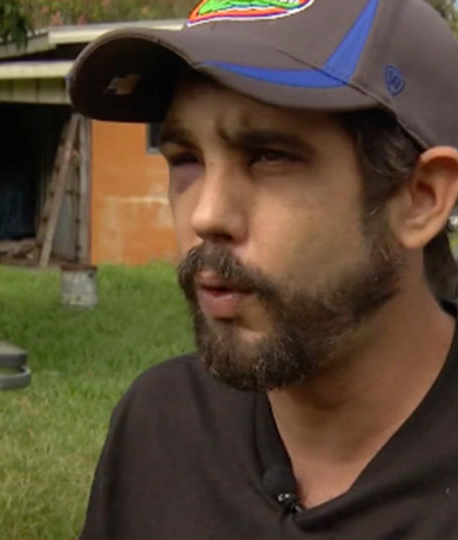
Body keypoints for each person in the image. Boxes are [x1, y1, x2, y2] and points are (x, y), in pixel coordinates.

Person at [67, 0, 458, 537]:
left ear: (419, 198)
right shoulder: (162, 425)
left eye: (269, 155)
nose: (206, 214)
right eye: (185, 158)